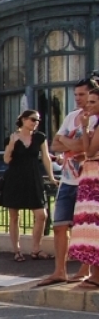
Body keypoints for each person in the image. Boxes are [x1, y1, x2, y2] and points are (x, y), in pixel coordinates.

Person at [41, 81, 94, 285]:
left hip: (88, 180)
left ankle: (85, 268)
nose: (78, 98)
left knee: (85, 227)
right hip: (68, 180)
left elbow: (85, 147)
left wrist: (68, 144)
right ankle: (59, 270)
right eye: (76, 95)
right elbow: (54, 143)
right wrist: (73, 146)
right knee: (60, 225)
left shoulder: (95, 119)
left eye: (82, 94)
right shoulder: (72, 116)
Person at [1, 108, 58, 261]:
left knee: (41, 215)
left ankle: (36, 249)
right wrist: (12, 144)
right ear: (24, 119)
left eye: (38, 120)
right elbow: (6, 159)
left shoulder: (40, 137)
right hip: (15, 178)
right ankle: (17, 250)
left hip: (33, 177)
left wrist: (51, 177)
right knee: (14, 216)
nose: (36, 123)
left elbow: (45, 157)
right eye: (33, 119)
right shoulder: (11, 138)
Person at [68, 82, 99, 288]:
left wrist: (86, 129)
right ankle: (94, 274)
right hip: (91, 174)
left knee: (93, 225)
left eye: (93, 101)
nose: (88, 105)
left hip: (95, 176)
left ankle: (96, 277)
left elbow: (89, 151)